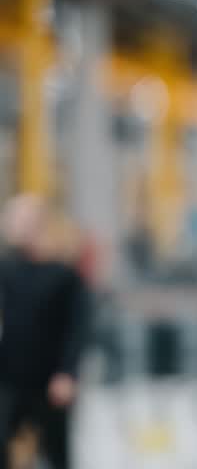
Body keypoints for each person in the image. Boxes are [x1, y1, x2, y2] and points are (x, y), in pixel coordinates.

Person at [0, 195, 91, 469]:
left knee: (56, 455)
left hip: (49, 382)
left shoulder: (63, 276)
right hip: (8, 380)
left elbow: (77, 327)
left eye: (25, 219)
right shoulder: (5, 271)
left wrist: (68, 372)